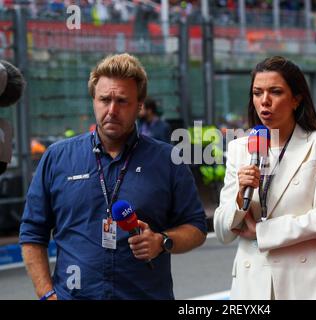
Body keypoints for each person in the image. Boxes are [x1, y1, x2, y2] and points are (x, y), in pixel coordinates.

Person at [19, 53, 207, 300]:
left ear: (140, 105)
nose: (112, 110)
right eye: (104, 99)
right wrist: (46, 295)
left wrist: (161, 241)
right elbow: (32, 232)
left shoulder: (168, 160)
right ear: (93, 101)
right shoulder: (57, 157)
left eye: (122, 101)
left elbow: (197, 227)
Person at [214, 56, 316, 300]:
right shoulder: (239, 148)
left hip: (310, 282)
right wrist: (238, 198)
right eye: (257, 93)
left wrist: (263, 232)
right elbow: (223, 231)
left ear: (296, 99)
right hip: (252, 283)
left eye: (275, 92)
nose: (264, 101)